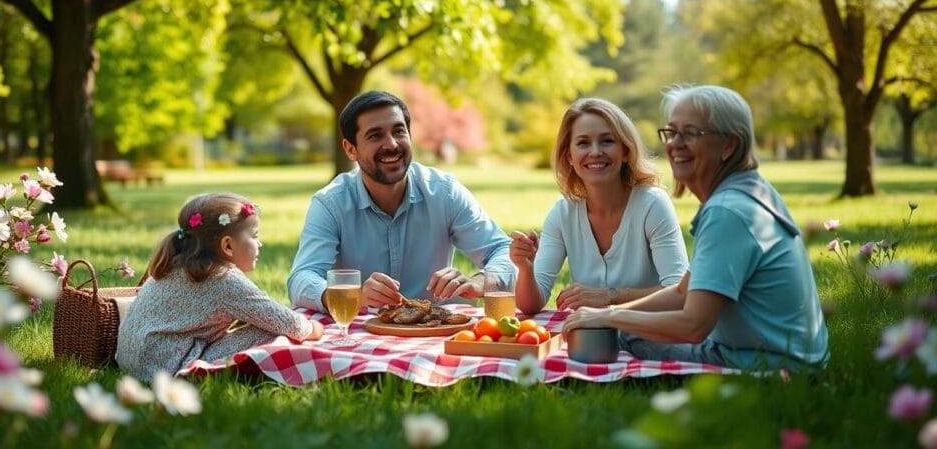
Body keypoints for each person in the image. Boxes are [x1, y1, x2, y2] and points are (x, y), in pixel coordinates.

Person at [563, 85, 830, 372]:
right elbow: (682, 293)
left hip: (767, 366)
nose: (675, 144)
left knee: (626, 336)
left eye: (689, 133)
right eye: (672, 132)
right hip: (787, 357)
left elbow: (693, 325)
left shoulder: (728, 211)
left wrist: (610, 318)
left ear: (729, 144)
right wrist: (608, 313)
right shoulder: (747, 192)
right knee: (623, 328)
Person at [287, 90, 515, 312]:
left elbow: (502, 249)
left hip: (434, 331)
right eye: (375, 135)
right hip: (364, 333)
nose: (392, 144)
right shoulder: (330, 203)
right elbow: (301, 278)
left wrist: (481, 281)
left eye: (399, 131)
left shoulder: (444, 192)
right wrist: (351, 295)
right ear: (350, 149)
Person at [117, 193, 324, 382]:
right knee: (271, 332)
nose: (259, 243)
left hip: (132, 363)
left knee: (265, 321)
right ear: (227, 245)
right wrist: (315, 327)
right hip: (167, 371)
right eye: (254, 236)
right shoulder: (222, 278)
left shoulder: (176, 263)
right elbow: (292, 325)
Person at [510, 98, 689, 314]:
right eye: (583, 143)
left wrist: (609, 297)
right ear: (569, 156)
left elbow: (680, 293)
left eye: (606, 141)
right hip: (590, 337)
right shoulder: (562, 214)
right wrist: (525, 268)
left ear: (625, 151)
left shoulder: (652, 204)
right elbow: (529, 305)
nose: (595, 152)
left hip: (649, 337)